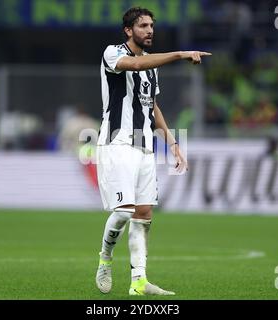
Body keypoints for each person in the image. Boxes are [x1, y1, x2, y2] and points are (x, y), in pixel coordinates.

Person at [95, 7, 211, 296]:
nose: (150, 30)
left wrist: (172, 143)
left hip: (145, 146)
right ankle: (104, 259)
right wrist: (181, 54)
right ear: (128, 30)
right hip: (118, 141)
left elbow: (151, 106)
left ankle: (139, 282)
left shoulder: (152, 65)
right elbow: (133, 66)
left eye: (151, 26)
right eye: (143, 25)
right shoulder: (112, 53)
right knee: (123, 212)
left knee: (144, 214)